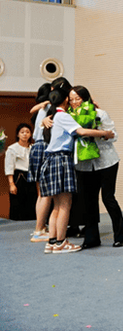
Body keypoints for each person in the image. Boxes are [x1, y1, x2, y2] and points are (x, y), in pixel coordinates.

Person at [38, 89, 114, 254]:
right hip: (61, 160)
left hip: (50, 159)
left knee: (56, 206)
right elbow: (82, 131)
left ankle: (52, 242)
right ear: (65, 99)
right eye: (70, 98)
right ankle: (61, 242)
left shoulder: (56, 116)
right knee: (65, 204)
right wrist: (105, 133)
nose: (73, 101)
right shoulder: (64, 116)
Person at [69, 86, 123, 249]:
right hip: (84, 164)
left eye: (77, 98)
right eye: (71, 99)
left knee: (108, 198)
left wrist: (98, 132)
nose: (74, 102)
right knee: (88, 201)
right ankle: (91, 238)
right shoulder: (69, 117)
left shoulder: (100, 114)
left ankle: (121, 233)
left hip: (106, 162)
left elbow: (114, 135)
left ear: (85, 98)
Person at [28, 83, 53, 242]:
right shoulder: (48, 106)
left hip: (36, 147)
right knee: (46, 193)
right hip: (44, 146)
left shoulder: (41, 107)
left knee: (40, 193)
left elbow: (31, 110)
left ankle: (40, 226)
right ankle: (39, 230)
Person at [5, 123, 36, 221]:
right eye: (22, 132)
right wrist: (11, 184)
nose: (25, 134)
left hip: (31, 177)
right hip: (19, 177)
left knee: (31, 202)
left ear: (31, 134)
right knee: (18, 203)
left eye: (27, 132)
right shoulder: (12, 148)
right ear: (18, 134)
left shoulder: (33, 147)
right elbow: (9, 167)